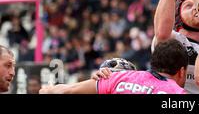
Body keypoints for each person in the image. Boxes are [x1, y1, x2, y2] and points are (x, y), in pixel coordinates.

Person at [39, 39, 188, 94]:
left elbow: (67, 91)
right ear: (182, 71)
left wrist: (47, 90)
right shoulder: (178, 94)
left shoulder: (120, 78)